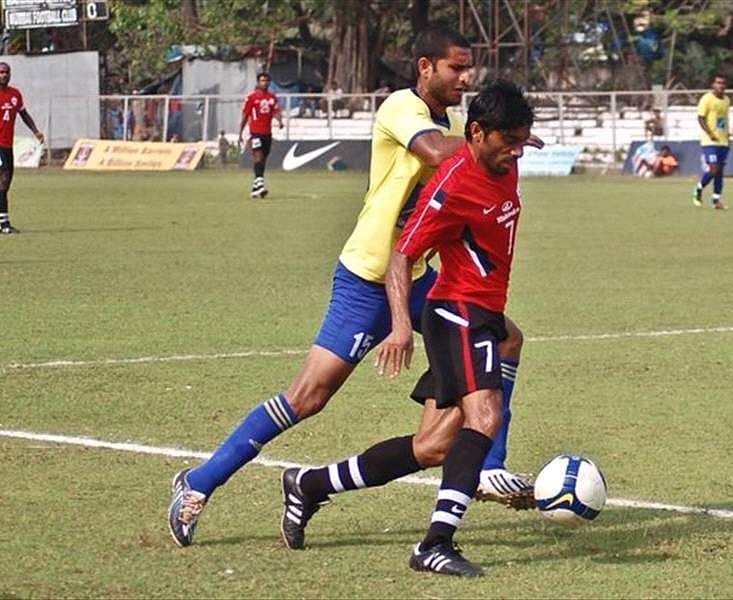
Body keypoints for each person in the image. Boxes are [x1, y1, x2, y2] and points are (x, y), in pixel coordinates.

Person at [168, 26, 543, 549]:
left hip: (419, 281)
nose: (465, 77)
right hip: (369, 276)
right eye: (456, 68)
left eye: (469, 69)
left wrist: (506, 137)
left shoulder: (457, 123)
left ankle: (488, 466)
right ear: (425, 68)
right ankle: (199, 482)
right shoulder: (400, 109)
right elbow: (438, 153)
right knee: (308, 397)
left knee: (491, 361)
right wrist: (499, 135)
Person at [280, 81, 534, 577]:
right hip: (455, 313)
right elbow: (402, 257)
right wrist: (400, 327)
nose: (516, 152)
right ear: (477, 133)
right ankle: (434, 544)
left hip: (481, 313)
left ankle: (308, 485)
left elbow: (510, 149)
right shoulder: (451, 187)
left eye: (522, 141)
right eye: (509, 141)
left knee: (434, 447)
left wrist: (519, 140)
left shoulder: (505, 158)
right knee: (483, 415)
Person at [0, 62, 44, 235]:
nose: (4, 75)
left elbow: (24, 114)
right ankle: (4, 223)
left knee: (6, 183)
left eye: (6, 72)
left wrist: (36, 132)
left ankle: (2, 220)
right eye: (1, 72)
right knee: (3, 177)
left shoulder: (15, 94)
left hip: (7, 145)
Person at [238, 72, 283, 199]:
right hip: (255, 132)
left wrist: (280, 121)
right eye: (262, 80)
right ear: (258, 82)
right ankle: (261, 184)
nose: (264, 82)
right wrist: (240, 132)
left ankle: (255, 188)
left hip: (267, 133)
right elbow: (245, 115)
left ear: (269, 82)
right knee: (258, 155)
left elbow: (276, 111)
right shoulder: (251, 97)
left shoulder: (272, 97)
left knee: (263, 160)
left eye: (267, 80)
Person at [692, 74, 730, 209]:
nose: (721, 85)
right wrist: (710, 134)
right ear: (713, 85)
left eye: (723, 83)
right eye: (718, 83)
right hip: (709, 141)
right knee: (713, 169)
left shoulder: (726, 100)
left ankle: (716, 201)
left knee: (719, 172)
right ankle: (698, 189)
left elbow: (723, 120)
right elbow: (701, 118)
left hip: (723, 141)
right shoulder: (706, 99)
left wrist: (728, 136)